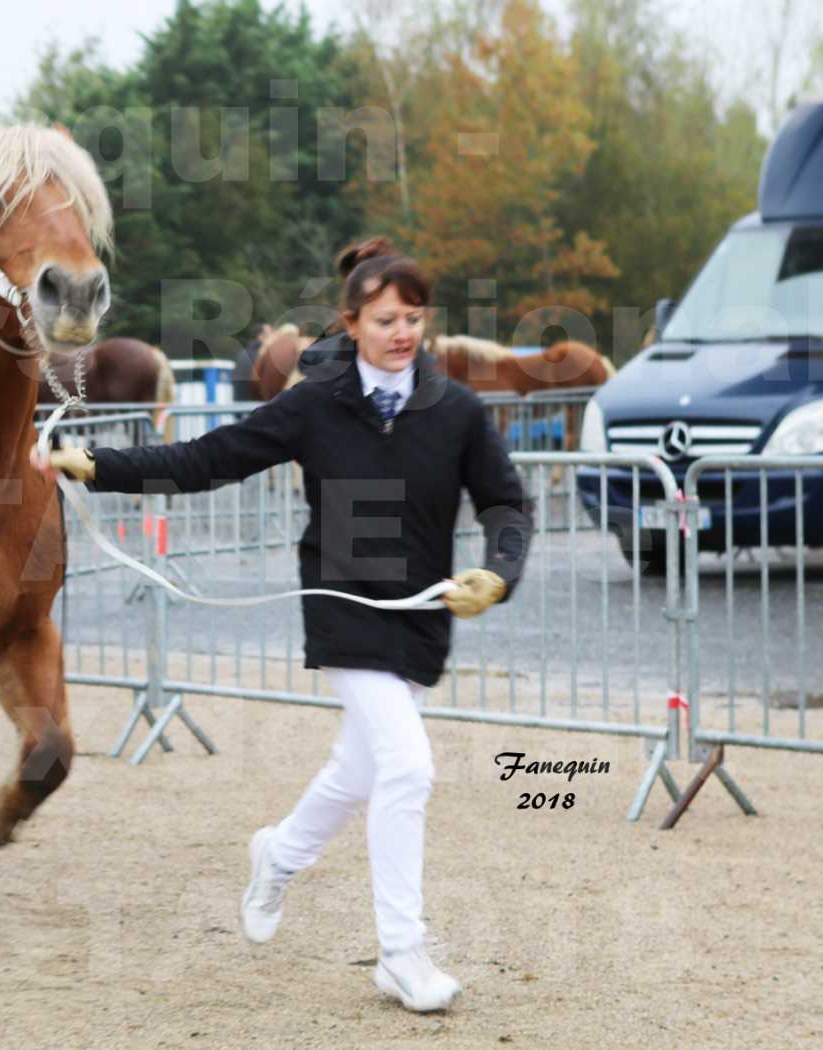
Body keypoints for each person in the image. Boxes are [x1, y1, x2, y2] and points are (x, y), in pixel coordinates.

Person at [44, 238, 532, 1013]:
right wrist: (102, 466)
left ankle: (278, 854)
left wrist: (499, 573)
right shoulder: (314, 405)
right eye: (383, 320)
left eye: (411, 319)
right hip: (341, 604)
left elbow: (507, 503)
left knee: (361, 769)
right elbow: (212, 458)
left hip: (422, 614)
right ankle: (402, 954)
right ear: (351, 323)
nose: (400, 333)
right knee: (407, 766)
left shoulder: (458, 411)